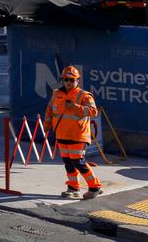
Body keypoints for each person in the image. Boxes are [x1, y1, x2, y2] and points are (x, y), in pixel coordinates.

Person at [44, 66, 103, 200]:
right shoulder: (56, 93)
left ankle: (95, 186)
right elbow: (49, 110)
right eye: (66, 79)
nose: (68, 82)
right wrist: (46, 125)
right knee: (68, 162)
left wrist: (76, 107)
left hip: (78, 135)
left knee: (78, 162)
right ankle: (73, 187)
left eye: (72, 79)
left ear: (77, 80)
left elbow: (94, 112)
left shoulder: (84, 95)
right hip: (62, 134)